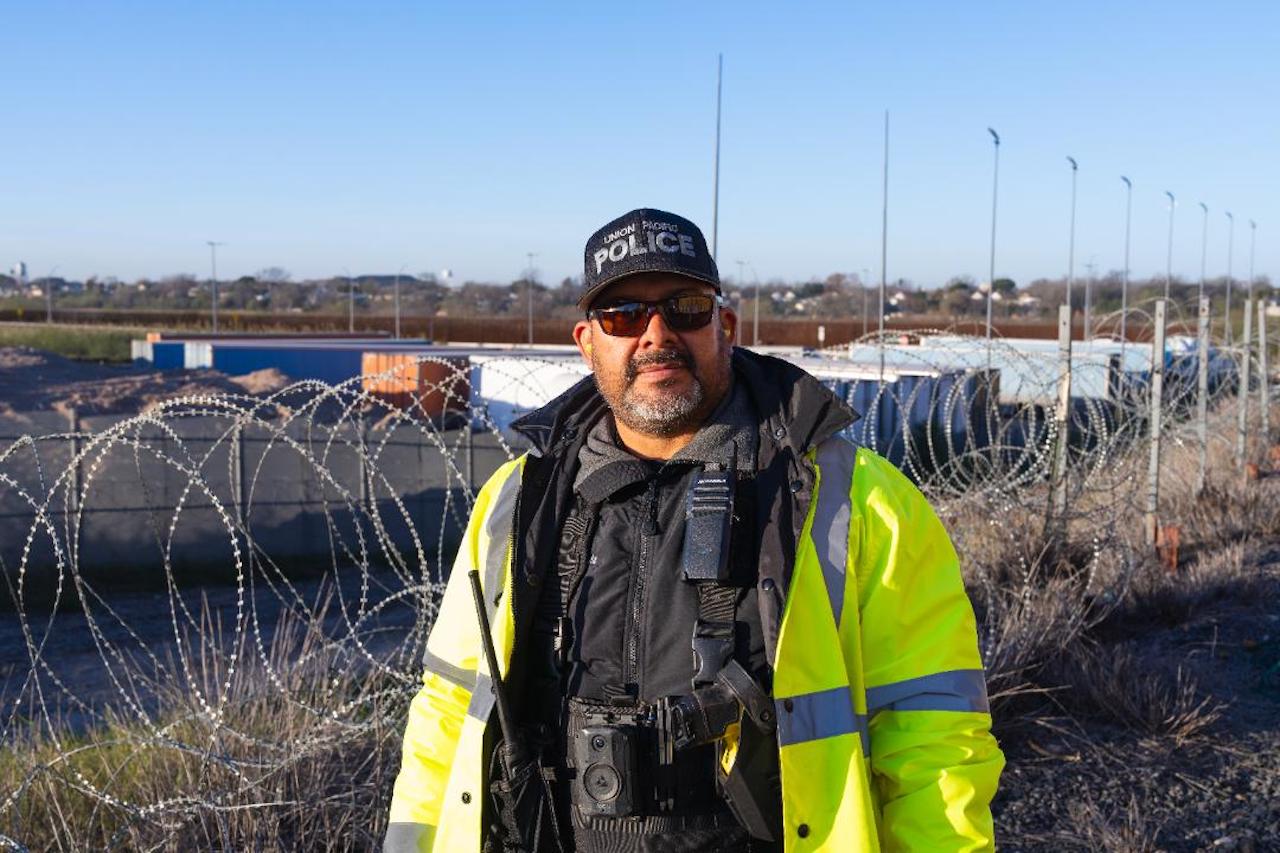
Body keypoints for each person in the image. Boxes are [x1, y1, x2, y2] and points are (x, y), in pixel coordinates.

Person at [385, 209, 1004, 852]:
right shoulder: (519, 500)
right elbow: (448, 711)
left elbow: (935, 739)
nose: (656, 335)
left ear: (724, 327)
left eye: (683, 307)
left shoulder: (857, 501)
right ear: (586, 341)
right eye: (623, 315)